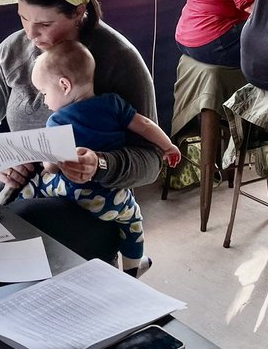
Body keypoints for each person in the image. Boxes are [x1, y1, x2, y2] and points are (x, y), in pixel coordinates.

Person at [0, 0, 159, 260]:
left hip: (94, 204)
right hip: (29, 186)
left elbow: (151, 162)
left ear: (79, 11)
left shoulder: (119, 61)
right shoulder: (14, 49)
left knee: (15, 230)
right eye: (23, 17)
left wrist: (101, 163)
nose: (30, 33)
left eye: (44, 24)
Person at [26, 41, 180, 276]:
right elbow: (146, 125)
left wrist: (46, 162)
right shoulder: (113, 103)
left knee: (35, 182)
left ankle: (7, 206)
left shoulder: (56, 122)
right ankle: (132, 268)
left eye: (45, 93)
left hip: (73, 195)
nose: (45, 101)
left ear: (64, 85)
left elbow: (51, 167)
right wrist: (168, 146)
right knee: (133, 222)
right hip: (112, 198)